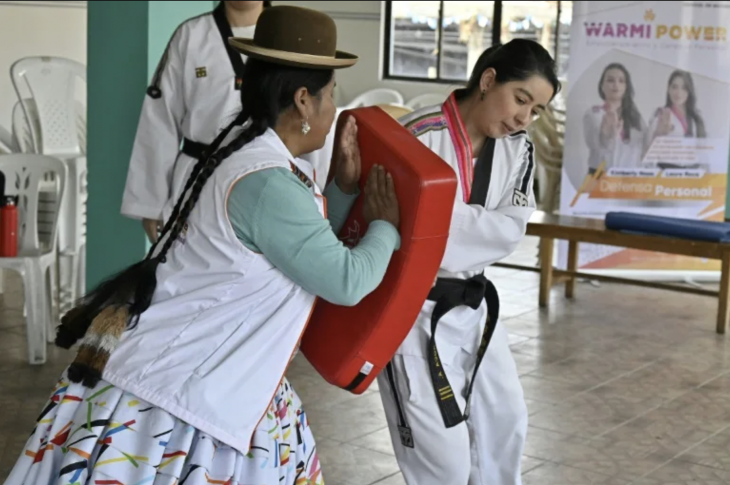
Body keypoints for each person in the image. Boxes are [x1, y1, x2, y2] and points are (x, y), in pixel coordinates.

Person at [4, 6, 401, 485]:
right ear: (303, 100)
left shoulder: (244, 146)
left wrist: (342, 190)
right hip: (183, 393)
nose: (333, 107)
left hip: (195, 371)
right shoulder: (266, 181)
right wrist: (385, 225)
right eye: (331, 94)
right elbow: (345, 279)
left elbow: (296, 249)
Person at [377, 39, 559, 485]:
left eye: (536, 110)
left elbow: (510, 231)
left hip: (473, 303)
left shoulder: (519, 149)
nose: (524, 118)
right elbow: (397, 233)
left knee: (506, 421)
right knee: (444, 461)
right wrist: (468, 226)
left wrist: (434, 220)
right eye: (521, 99)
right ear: (488, 78)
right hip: (411, 310)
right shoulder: (417, 137)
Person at [121, 1, 274, 243]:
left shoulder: (286, 36)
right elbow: (160, 120)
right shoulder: (190, 35)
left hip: (267, 179)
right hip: (196, 177)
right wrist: (150, 204)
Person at [583, 62, 647, 173]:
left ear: (626, 87)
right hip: (600, 177)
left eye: (621, 81)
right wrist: (606, 135)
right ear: (602, 86)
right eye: (610, 80)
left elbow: (645, 148)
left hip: (629, 180)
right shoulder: (593, 113)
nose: (616, 84)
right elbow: (593, 143)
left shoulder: (636, 117)